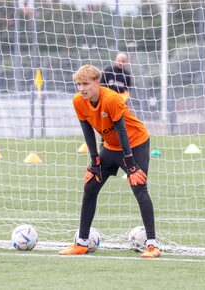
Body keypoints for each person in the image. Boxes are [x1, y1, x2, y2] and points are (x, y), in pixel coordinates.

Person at [58, 64, 161, 258]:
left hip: (135, 144)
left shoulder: (112, 99)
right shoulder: (78, 101)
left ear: (97, 83)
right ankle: (81, 243)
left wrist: (130, 164)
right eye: (79, 84)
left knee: (139, 186)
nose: (81, 88)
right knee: (90, 186)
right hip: (110, 147)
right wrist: (95, 160)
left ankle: (152, 245)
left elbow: (122, 131)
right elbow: (87, 130)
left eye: (85, 84)